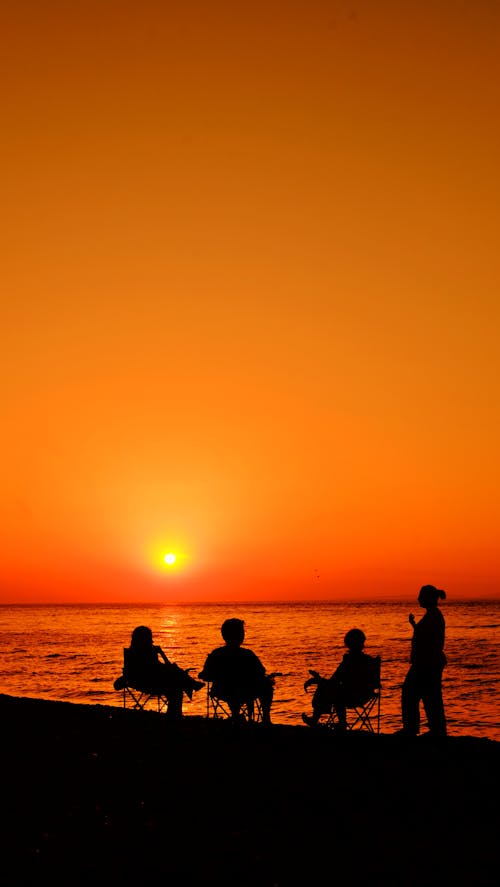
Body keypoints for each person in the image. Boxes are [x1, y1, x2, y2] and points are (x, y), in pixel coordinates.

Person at [114, 625, 204, 720]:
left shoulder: (131, 653)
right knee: (176, 688)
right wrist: (161, 653)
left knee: (175, 677)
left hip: (142, 682)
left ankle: (190, 685)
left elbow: (156, 669)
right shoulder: (148, 653)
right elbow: (161, 668)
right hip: (151, 683)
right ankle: (175, 717)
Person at [198, 618, 274, 725]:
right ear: (239, 635)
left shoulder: (216, 654)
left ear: (224, 635)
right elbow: (261, 672)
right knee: (267, 686)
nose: (243, 634)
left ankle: (236, 715)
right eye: (242, 632)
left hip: (222, 691)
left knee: (237, 690)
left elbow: (205, 675)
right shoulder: (248, 654)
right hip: (245, 691)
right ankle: (265, 717)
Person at [302, 628, 379, 730]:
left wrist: (317, 679)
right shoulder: (369, 660)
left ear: (348, 644)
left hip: (350, 696)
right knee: (333, 690)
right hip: (366, 695)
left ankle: (319, 721)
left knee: (325, 689)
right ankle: (335, 722)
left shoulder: (349, 661)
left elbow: (334, 681)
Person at [398, 584, 447, 738]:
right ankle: (434, 730)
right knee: (429, 695)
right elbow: (424, 635)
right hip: (428, 662)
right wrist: (414, 625)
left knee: (412, 693)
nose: (418, 599)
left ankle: (413, 729)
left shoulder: (433, 616)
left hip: (427, 663)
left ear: (427, 598)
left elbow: (428, 640)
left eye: (421, 596)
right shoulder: (433, 615)